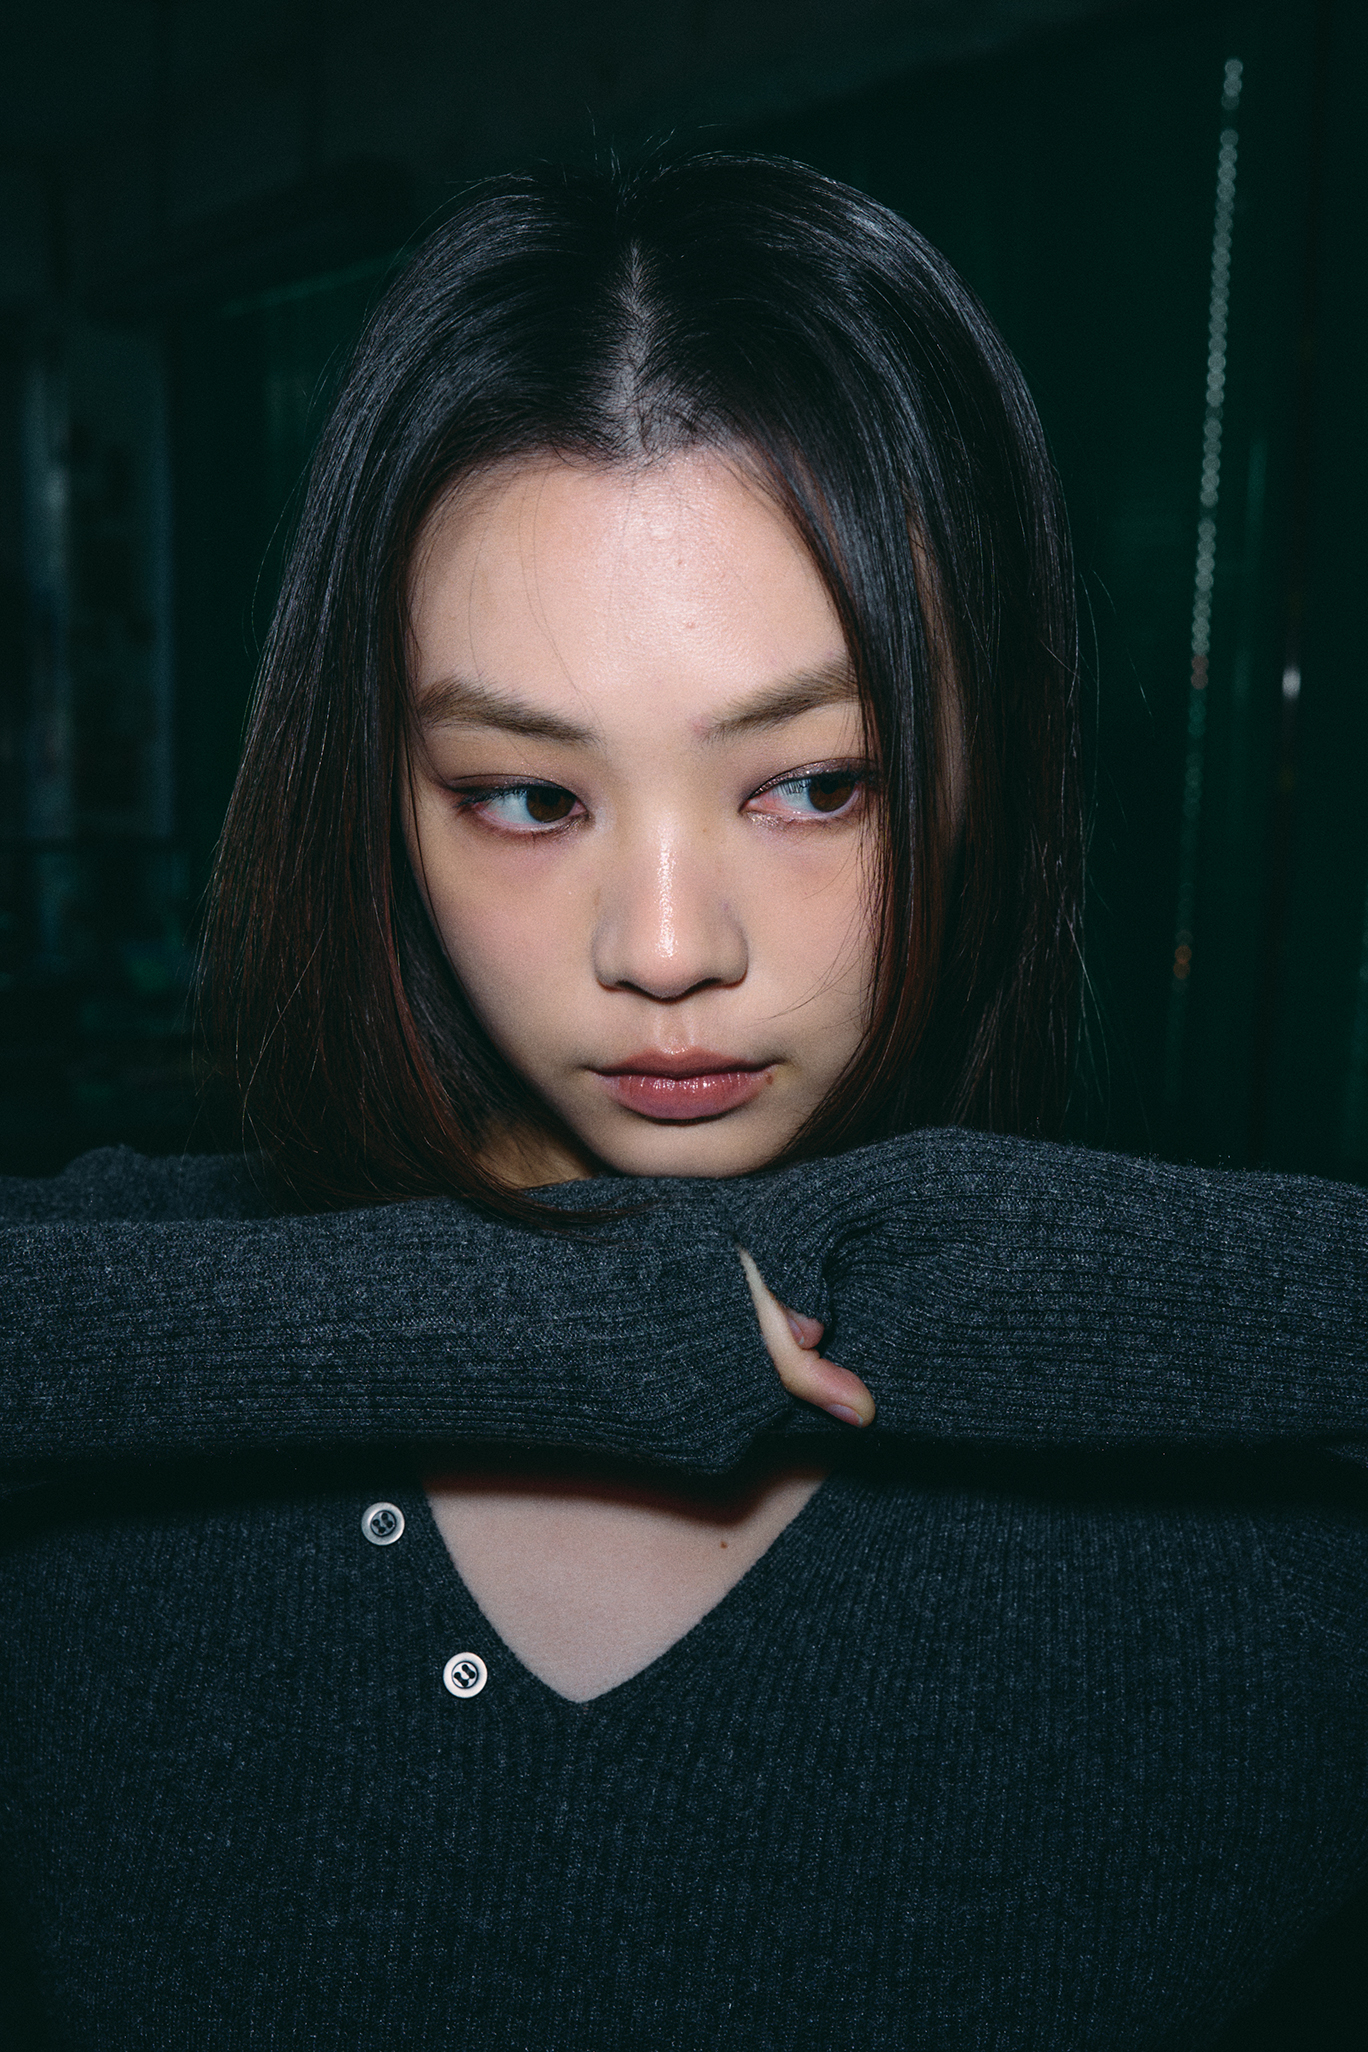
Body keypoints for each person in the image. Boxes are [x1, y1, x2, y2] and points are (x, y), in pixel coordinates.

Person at [1, 154, 1366, 2047]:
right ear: (373, 793)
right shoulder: (103, 1449)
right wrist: (540, 1316)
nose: (663, 949)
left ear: (993, 763)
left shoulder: (1260, 1596)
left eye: (816, 785)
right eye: (527, 797)